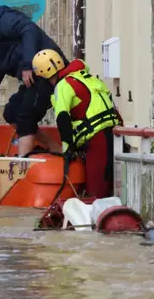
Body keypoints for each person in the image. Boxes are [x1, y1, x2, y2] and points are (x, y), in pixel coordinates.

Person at [0, 5, 64, 156]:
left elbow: (29, 29)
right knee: (11, 113)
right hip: (32, 79)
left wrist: (27, 65)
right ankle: (55, 148)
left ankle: (23, 165)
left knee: (25, 116)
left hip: (48, 71)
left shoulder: (1, 19)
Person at [31, 49, 123, 199]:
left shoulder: (62, 86)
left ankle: (97, 219)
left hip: (97, 137)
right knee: (110, 183)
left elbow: (62, 119)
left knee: (96, 191)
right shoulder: (84, 77)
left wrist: (67, 150)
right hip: (114, 134)